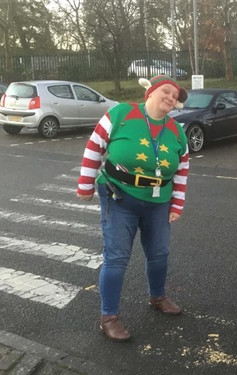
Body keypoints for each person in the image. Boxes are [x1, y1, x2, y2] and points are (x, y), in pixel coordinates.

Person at [77, 75, 189, 341]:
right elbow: (94, 146)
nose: (170, 98)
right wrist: (85, 185)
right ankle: (109, 318)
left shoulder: (177, 131)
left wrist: (177, 204)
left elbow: (182, 169)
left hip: (159, 200)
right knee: (116, 257)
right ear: (150, 92)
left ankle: (158, 297)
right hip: (119, 195)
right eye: (166, 91)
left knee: (159, 253)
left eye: (175, 96)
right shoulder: (121, 113)